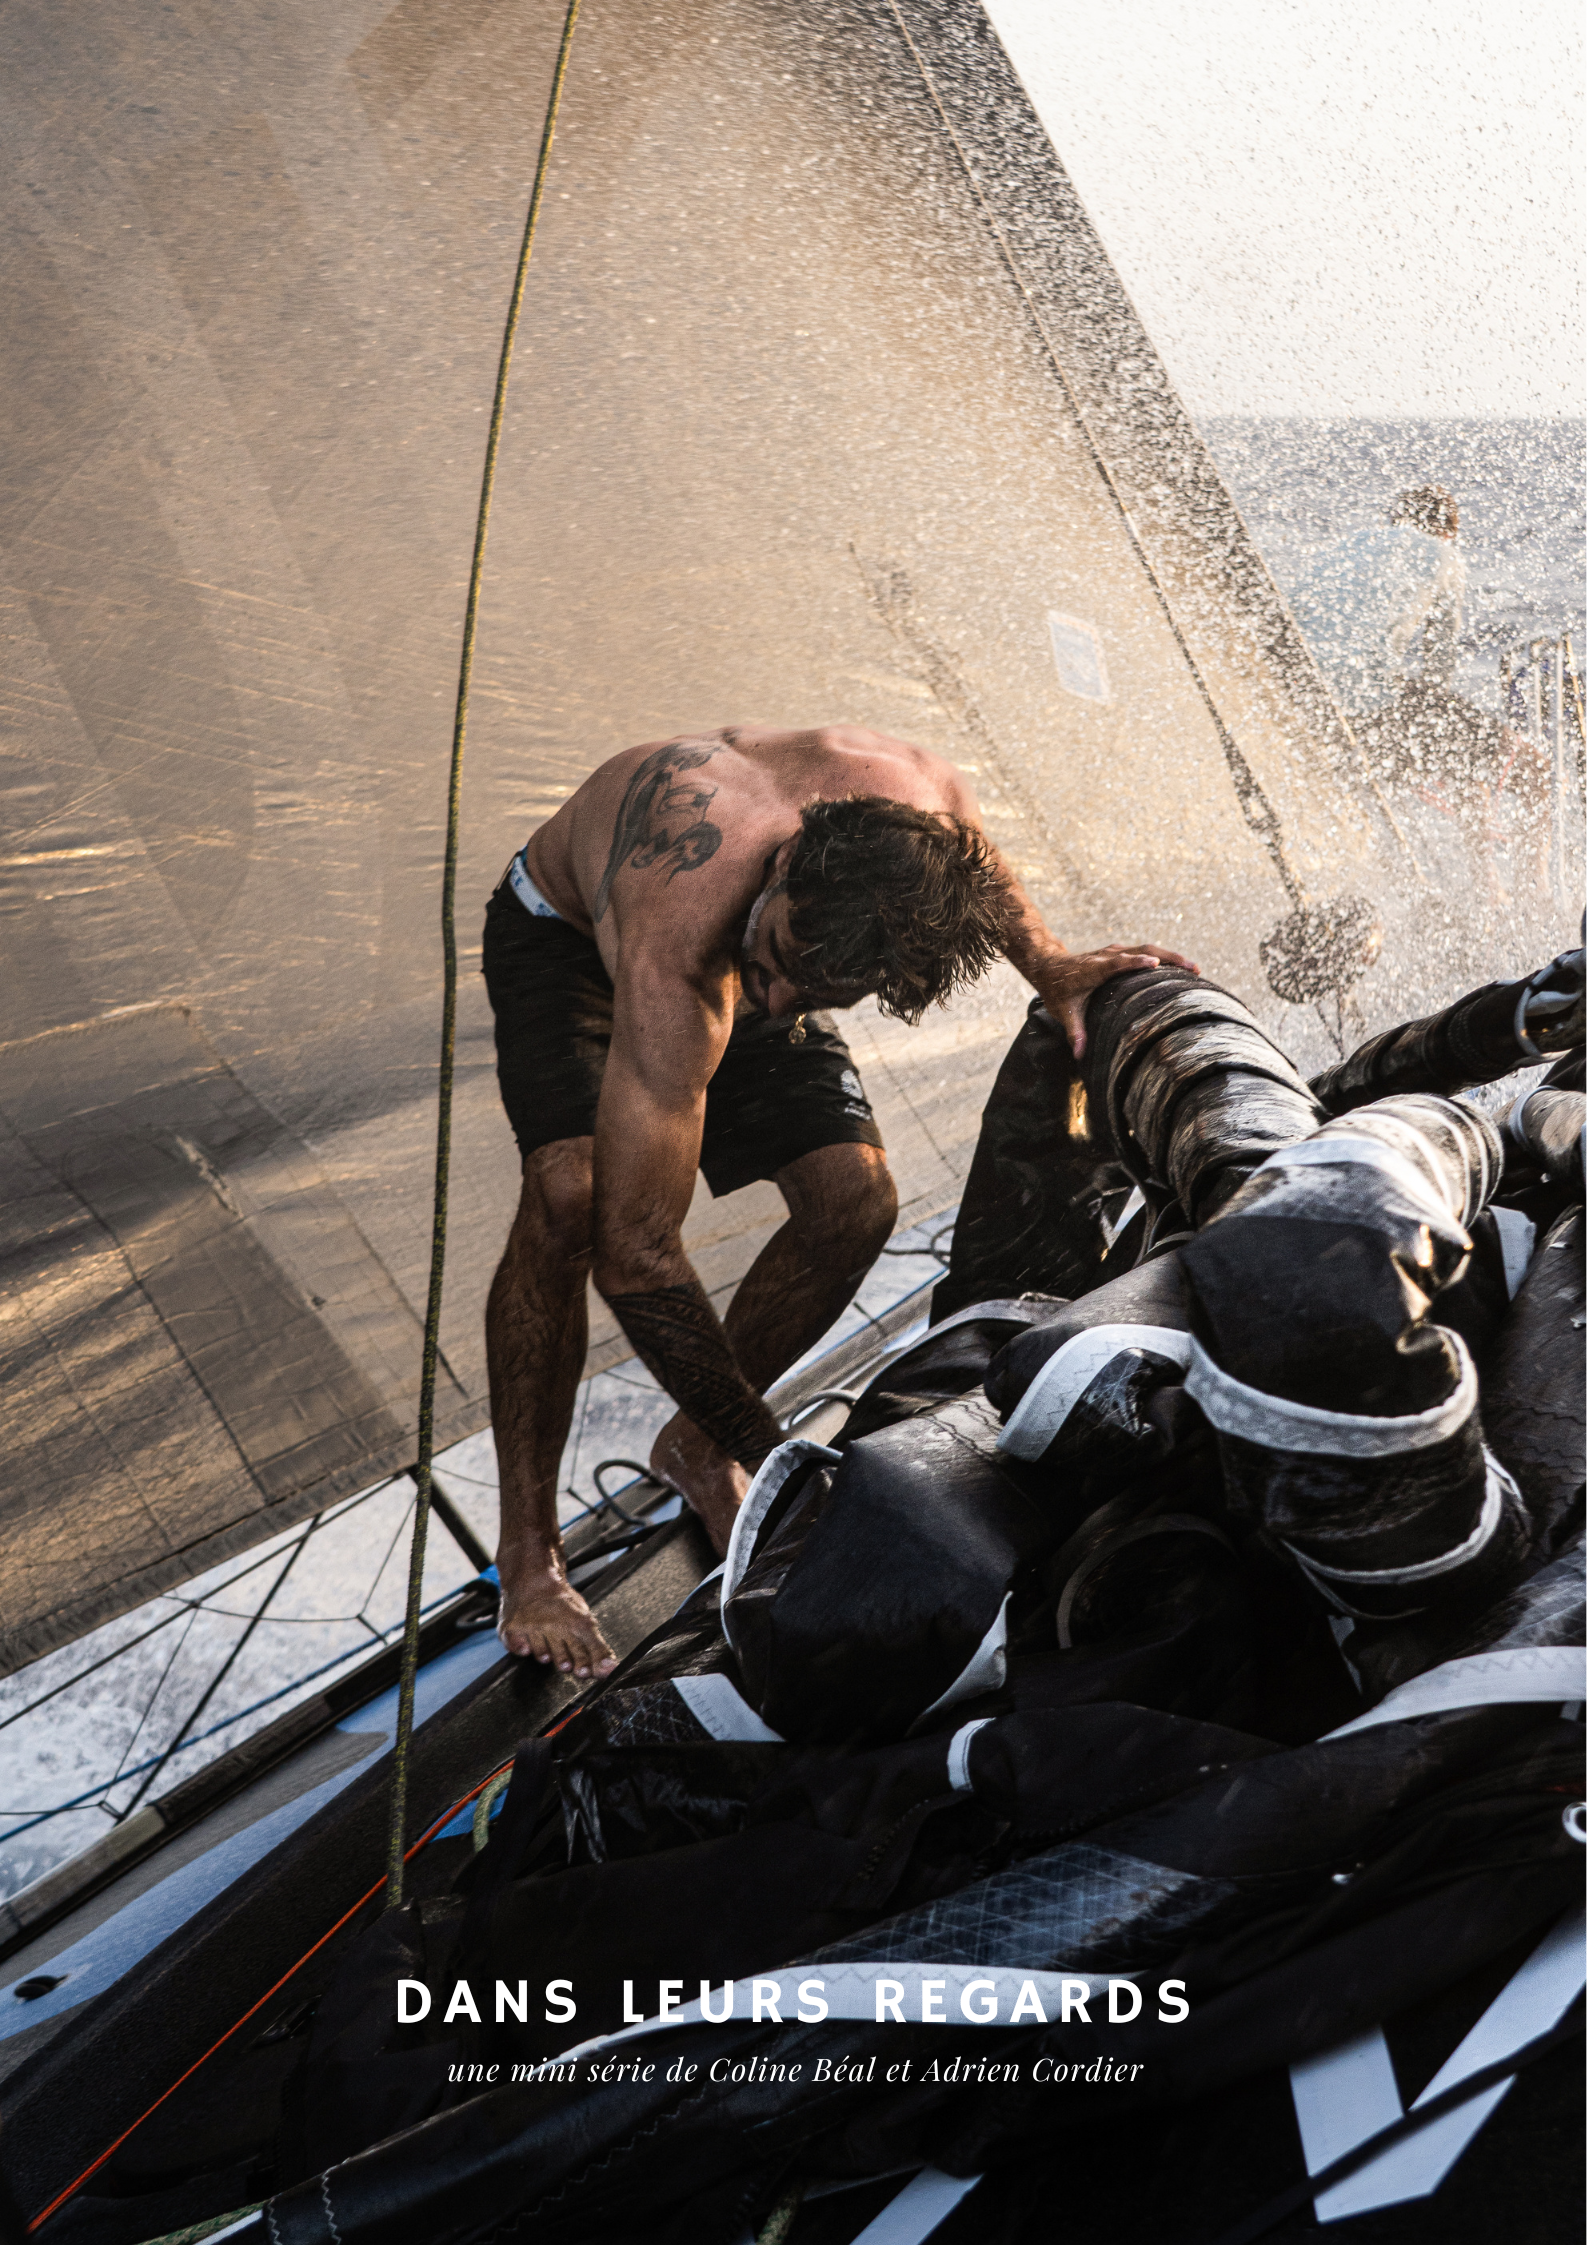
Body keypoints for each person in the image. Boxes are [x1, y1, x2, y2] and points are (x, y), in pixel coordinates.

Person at [482, 723, 1195, 1678]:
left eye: (819, 991)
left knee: (853, 1200)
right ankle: (529, 1555)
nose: (773, 1008)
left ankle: (695, 1446)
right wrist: (778, 1463)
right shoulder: (683, 933)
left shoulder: (907, 809)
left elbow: (967, 855)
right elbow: (638, 1258)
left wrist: (1052, 963)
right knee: (576, 1196)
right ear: (786, 865)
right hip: (567, 940)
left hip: (779, 923)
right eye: (776, 969)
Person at [1287, 482, 1466, 720]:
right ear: (1448, 533)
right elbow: (1441, 656)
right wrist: (1433, 705)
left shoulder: (1354, 543)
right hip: (1362, 691)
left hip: (1297, 669)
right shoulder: (1444, 555)